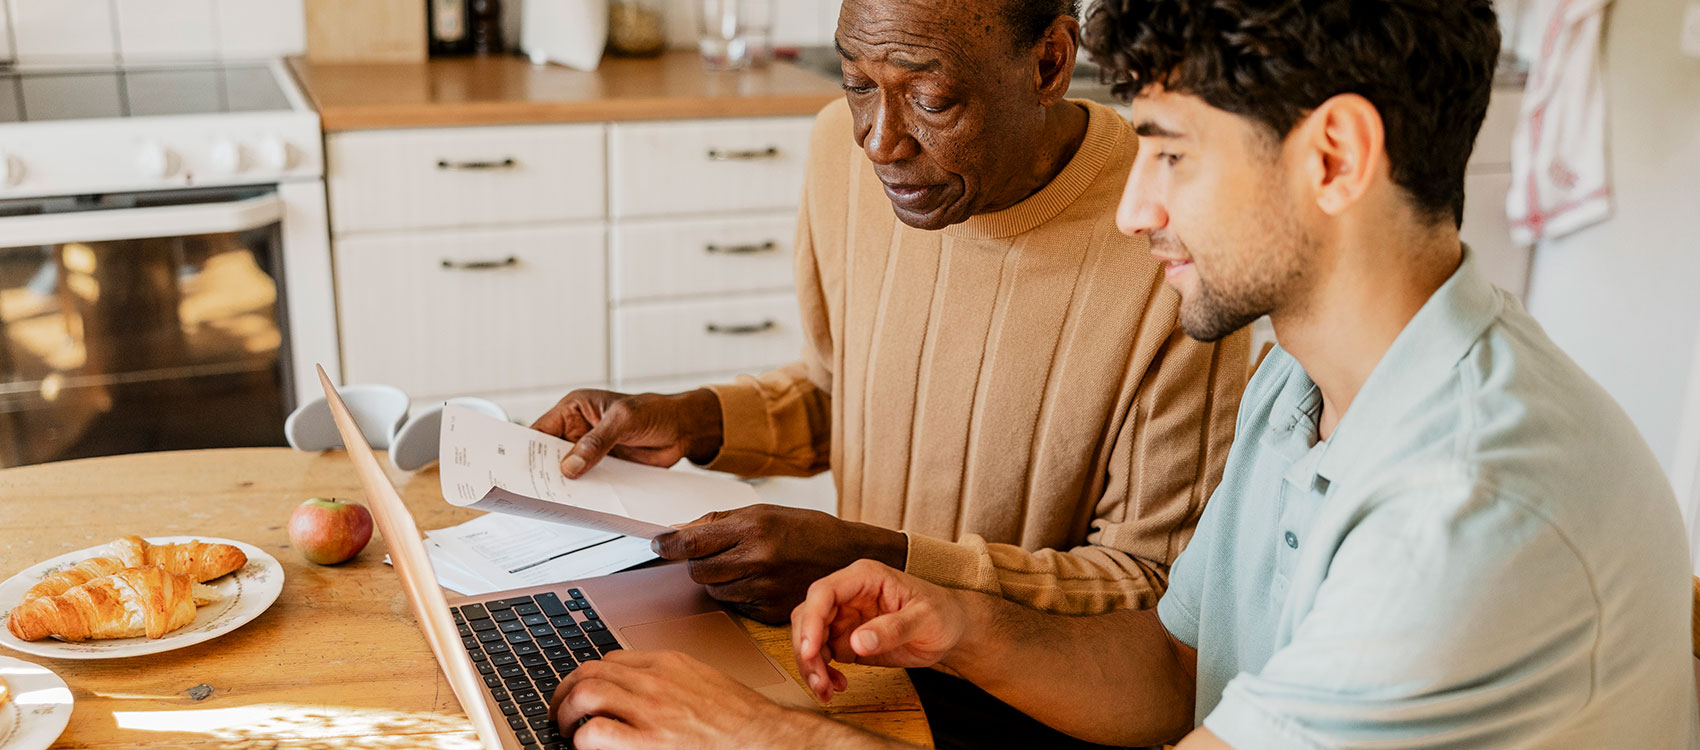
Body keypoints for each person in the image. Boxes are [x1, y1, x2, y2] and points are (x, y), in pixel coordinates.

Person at [542, 0, 1700, 747]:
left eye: (1171, 153)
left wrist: (768, 739)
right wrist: (958, 627)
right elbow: (1169, 667)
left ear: (1335, 159)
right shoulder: (1305, 385)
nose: (1135, 205)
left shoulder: (1465, 519)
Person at [533, 0, 1246, 625]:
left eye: (930, 99)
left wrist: (883, 564)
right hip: (844, 647)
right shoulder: (837, 159)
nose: (878, 141)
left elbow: (1152, 591)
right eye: (856, 86)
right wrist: (694, 420)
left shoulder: (1174, 244)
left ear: (1049, 64)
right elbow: (849, 393)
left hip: (1016, 710)